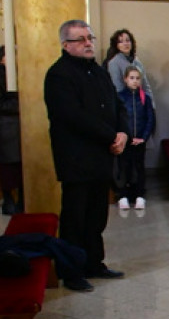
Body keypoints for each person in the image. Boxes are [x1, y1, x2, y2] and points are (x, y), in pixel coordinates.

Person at [44, 19, 129, 292]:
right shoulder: (59, 75)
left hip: (102, 155)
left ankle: (94, 263)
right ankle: (71, 271)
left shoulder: (99, 71)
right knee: (75, 216)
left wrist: (123, 133)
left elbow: (118, 105)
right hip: (76, 158)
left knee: (97, 215)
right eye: (80, 39)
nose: (88, 43)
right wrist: (110, 136)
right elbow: (72, 116)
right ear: (66, 45)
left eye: (90, 37)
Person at [0, 45, 22, 214]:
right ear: (3, 58)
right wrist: (21, 104)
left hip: (20, 128)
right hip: (6, 129)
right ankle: (9, 200)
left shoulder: (20, 74)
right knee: (8, 168)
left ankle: (22, 200)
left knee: (21, 168)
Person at [115, 65, 155, 211]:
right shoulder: (119, 97)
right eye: (131, 78)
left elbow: (150, 119)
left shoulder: (146, 98)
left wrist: (143, 137)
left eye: (137, 78)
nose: (135, 81)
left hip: (139, 140)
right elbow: (116, 119)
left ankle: (139, 195)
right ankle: (123, 196)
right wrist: (122, 136)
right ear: (125, 79)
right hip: (124, 140)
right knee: (123, 167)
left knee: (139, 168)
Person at [103, 28, 153, 96]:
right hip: (125, 103)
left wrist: (150, 104)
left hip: (140, 101)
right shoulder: (114, 62)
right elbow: (118, 89)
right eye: (121, 41)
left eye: (127, 40)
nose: (125, 44)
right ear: (116, 45)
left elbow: (145, 86)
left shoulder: (137, 61)